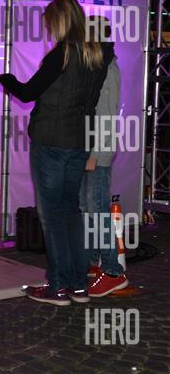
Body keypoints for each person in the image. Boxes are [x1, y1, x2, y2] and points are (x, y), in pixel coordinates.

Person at [0, 0, 114, 305]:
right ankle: (78, 286)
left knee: (52, 216)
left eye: (50, 24)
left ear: (59, 22)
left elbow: (27, 93)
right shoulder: (98, 54)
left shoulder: (61, 54)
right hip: (79, 142)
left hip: (51, 142)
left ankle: (58, 287)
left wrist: (5, 78)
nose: (49, 29)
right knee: (71, 212)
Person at [80, 16, 128, 297]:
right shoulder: (95, 66)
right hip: (87, 149)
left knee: (96, 209)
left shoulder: (107, 68)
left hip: (97, 151)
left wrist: (96, 154)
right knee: (86, 208)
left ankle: (113, 271)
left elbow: (107, 117)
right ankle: (92, 262)